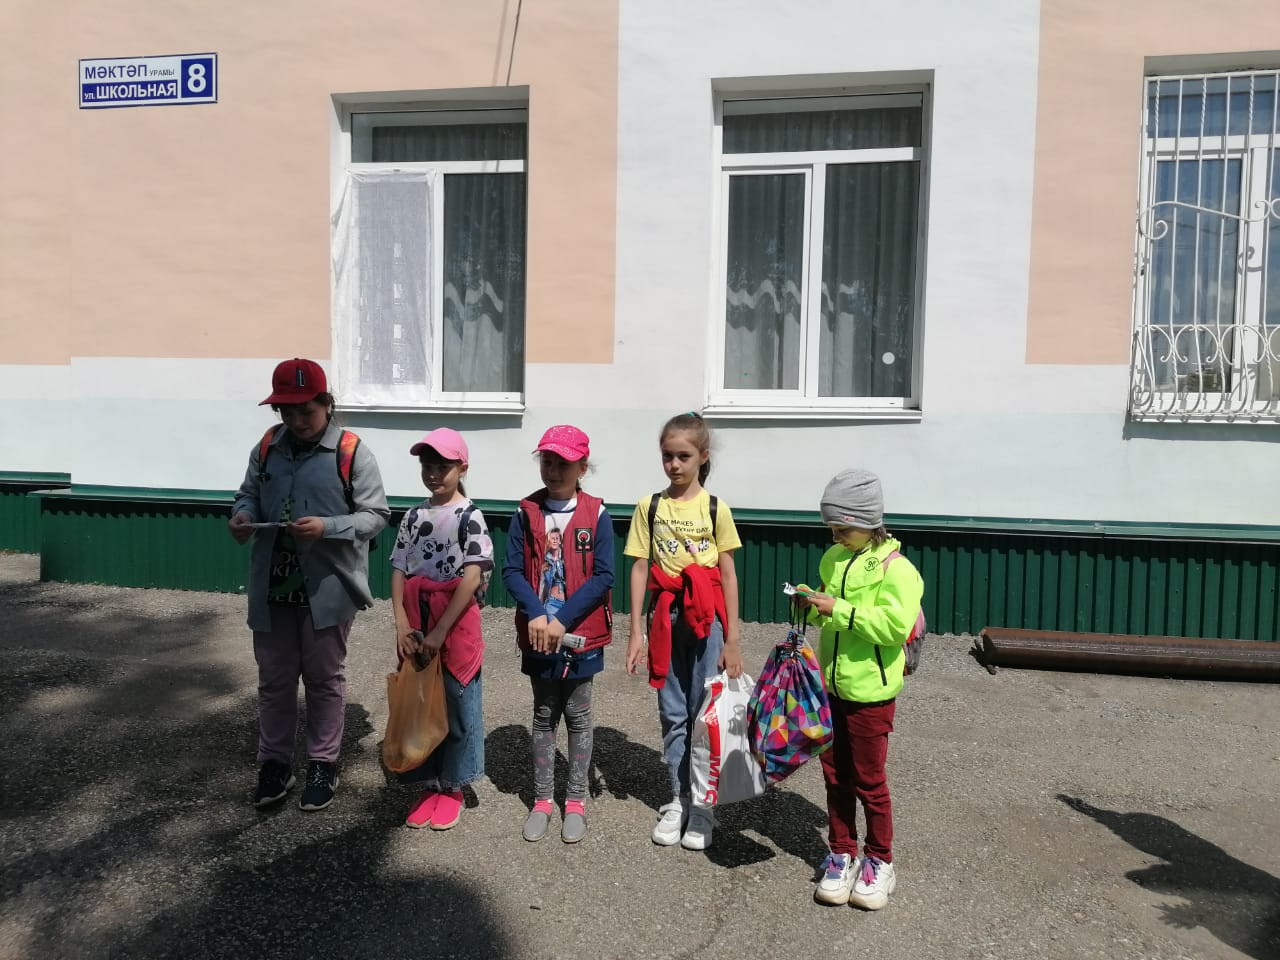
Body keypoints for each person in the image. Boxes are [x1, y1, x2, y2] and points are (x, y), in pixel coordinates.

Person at [229, 358, 390, 812]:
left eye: (307, 411)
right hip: (273, 584)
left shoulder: (352, 452)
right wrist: (242, 515)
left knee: (323, 679)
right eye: (287, 411)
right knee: (274, 680)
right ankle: (274, 764)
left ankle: (323, 762)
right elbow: (247, 493)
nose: (297, 421)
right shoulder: (267, 447)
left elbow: (376, 515)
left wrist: (328, 527)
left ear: (327, 404)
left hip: (328, 587)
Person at [797, 469, 924, 910]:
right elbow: (828, 614)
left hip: (871, 694)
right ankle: (842, 852)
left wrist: (840, 609)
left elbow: (893, 628)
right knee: (835, 776)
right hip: (831, 687)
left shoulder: (899, 570)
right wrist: (810, 605)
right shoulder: (834, 558)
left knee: (870, 780)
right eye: (831, 528)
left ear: (868, 522)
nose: (835, 536)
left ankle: (880, 860)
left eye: (842, 528)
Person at [623, 412, 742, 851]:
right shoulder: (649, 507)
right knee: (673, 712)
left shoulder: (716, 509)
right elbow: (640, 568)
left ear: (702, 456)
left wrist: (733, 639)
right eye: (667, 456)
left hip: (707, 621)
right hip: (666, 619)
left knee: (704, 713)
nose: (674, 464)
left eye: (683, 456)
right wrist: (635, 632)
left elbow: (727, 575)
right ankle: (679, 798)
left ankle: (704, 805)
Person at [501, 425, 615, 844]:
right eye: (546, 461)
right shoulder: (525, 512)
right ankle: (543, 800)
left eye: (562, 463)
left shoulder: (597, 514)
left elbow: (604, 576)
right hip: (538, 634)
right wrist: (536, 612)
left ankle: (576, 801)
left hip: (580, 633)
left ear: (582, 467)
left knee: (579, 717)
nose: (552, 470)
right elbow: (512, 570)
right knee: (544, 714)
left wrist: (563, 619)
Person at [389, 427, 493, 831]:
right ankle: (427, 782)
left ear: (462, 468)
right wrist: (402, 623)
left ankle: (453, 785)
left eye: (443, 466)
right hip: (417, 619)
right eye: (427, 466)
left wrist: (440, 631)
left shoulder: (470, 517)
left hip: (455, 622)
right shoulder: (414, 516)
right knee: (420, 702)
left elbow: (472, 577)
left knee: (457, 702)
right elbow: (399, 567)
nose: (433, 474)